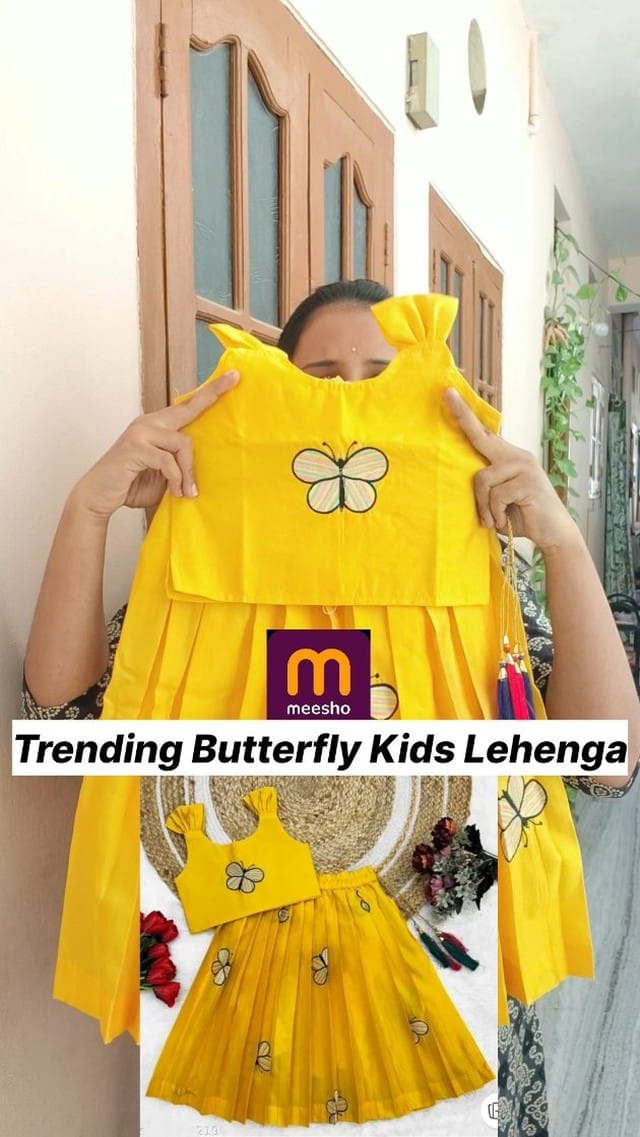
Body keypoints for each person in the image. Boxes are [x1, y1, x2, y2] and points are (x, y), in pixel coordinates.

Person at [23, 279, 640, 1134]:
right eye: (320, 380)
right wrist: (87, 511)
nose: (350, 409)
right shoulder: (214, 576)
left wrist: (562, 543)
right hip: (251, 1002)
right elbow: (59, 718)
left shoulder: (469, 575)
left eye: (380, 380)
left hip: (454, 980)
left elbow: (608, 761)